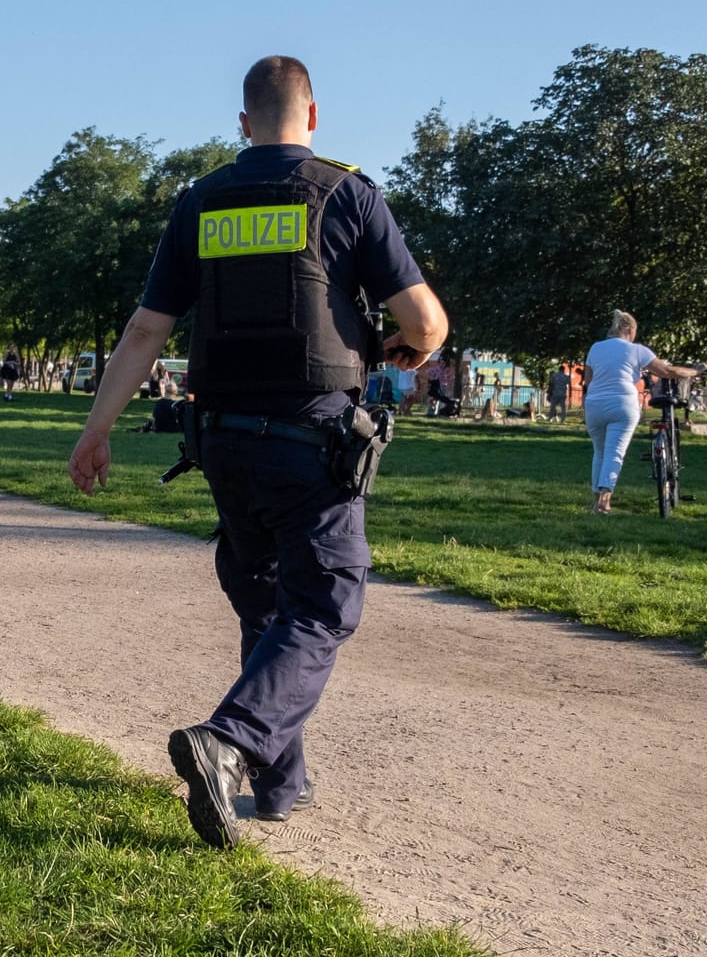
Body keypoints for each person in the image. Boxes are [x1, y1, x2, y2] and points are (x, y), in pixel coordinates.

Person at [66, 56, 448, 848]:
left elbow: (147, 330)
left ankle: (279, 783)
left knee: (268, 604)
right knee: (326, 601)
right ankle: (231, 743)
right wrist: (402, 351)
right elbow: (428, 324)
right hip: (313, 442)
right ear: (313, 117)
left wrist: (97, 428)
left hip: (225, 443)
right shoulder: (348, 195)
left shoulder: (200, 201)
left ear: (242, 124)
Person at [582, 310, 699, 514]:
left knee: (599, 453)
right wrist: (695, 371)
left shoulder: (595, 348)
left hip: (594, 404)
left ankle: (595, 501)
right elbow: (666, 371)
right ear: (629, 329)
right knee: (614, 453)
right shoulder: (637, 350)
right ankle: (605, 502)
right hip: (622, 403)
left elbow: (589, 380)